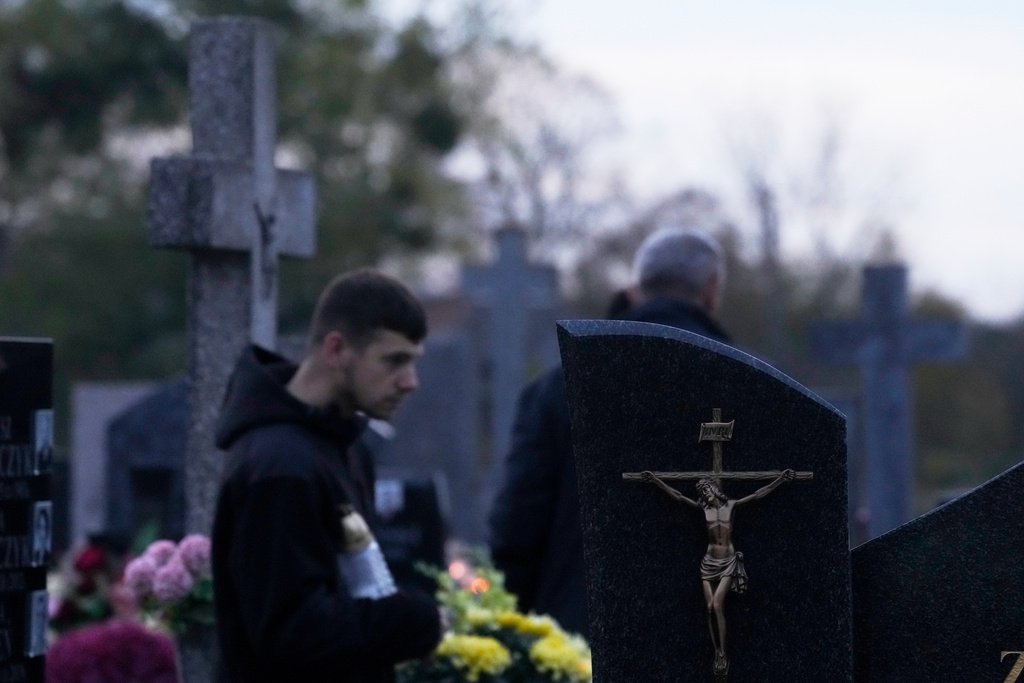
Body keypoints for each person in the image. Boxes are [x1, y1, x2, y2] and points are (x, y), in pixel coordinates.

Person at [488, 229, 731, 637]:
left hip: (578, 636)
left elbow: (518, 524)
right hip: (711, 635)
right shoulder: (755, 385)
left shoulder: (556, 388)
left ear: (635, 291)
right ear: (711, 291)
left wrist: (520, 626)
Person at [212, 268, 442, 683]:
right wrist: (412, 621)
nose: (410, 382)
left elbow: (352, 586)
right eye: (394, 361)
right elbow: (292, 634)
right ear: (336, 350)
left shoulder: (343, 448)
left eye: (413, 361)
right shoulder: (279, 467)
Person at [640, 470, 795, 676]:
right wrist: (656, 480)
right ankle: (717, 651)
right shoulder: (703, 510)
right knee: (709, 608)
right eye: (701, 492)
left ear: (714, 488)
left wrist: (781, 480)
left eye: (706, 489)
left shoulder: (731, 505)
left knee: (716, 604)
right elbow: (678, 496)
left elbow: (758, 493)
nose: (704, 493)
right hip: (709, 563)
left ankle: (722, 652)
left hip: (727, 562)